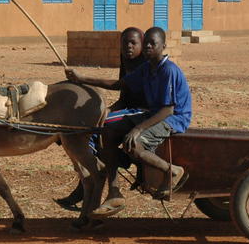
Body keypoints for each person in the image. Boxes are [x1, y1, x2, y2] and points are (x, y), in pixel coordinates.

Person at [65, 26, 191, 218]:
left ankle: (172, 170)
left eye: (152, 43)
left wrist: (138, 129)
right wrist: (82, 79)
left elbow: (168, 109)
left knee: (133, 145)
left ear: (163, 46)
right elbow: (119, 85)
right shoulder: (147, 68)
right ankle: (114, 191)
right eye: (146, 42)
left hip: (173, 118)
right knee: (105, 131)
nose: (148, 46)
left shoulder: (168, 70)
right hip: (153, 114)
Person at [54, 26, 147, 210]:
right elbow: (125, 95)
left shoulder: (145, 64)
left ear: (142, 46)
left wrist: (82, 79)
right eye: (124, 43)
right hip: (129, 108)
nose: (128, 47)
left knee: (105, 128)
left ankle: (111, 186)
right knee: (93, 129)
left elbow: (118, 84)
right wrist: (108, 110)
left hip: (144, 111)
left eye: (133, 43)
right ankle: (86, 182)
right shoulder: (126, 60)